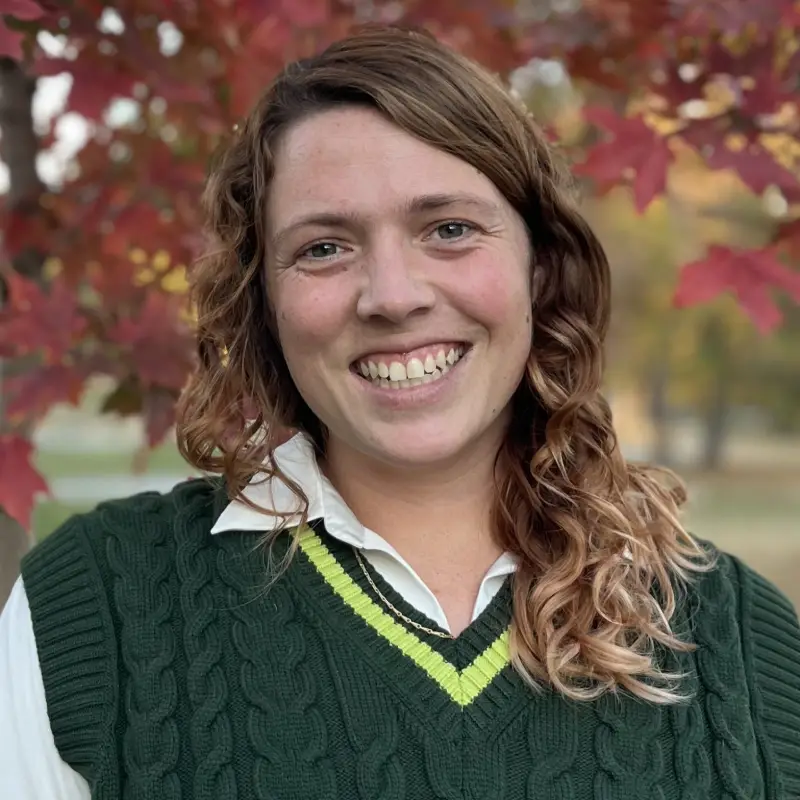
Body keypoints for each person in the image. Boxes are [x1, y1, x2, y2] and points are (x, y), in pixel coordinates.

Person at [1, 24, 799, 800]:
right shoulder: (96, 611)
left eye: (449, 229)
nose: (392, 296)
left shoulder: (740, 642)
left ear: (541, 269)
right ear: (264, 301)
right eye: (323, 247)